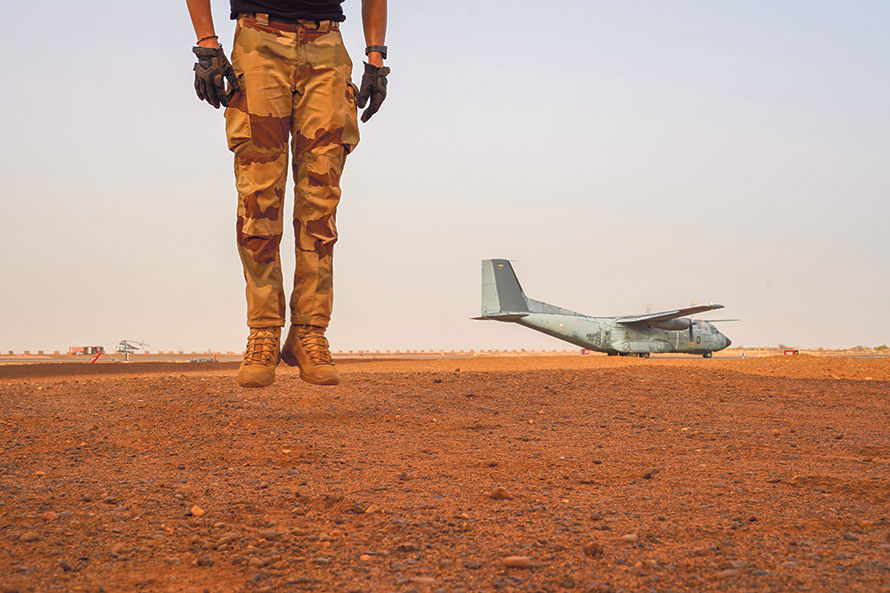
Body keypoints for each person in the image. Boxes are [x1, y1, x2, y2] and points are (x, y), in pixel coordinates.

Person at [185, 0, 389, 388]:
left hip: (327, 46)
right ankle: (263, 330)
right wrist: (207, 42)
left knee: (321, 202)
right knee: (258, 198)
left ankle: (309, 332)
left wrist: (376, 55)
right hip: (258, 42)